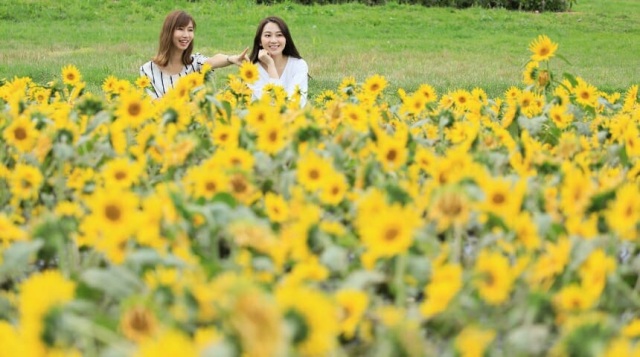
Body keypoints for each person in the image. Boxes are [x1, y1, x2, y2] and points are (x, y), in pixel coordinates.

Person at [140, 10, 248, 99]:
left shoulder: (194, 64)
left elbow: (213, 61)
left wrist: (231, 58)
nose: (186, 35)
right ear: (168, 32)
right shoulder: (147, 71)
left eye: (190, 30)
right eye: (180, 29)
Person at [248, 16, 308, 107]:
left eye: (279, 35)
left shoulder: (298, 65)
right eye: (268, 35)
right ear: (260, 41)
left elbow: (295, 104)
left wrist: (270, 65)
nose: (273, 40)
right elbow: (273, 104)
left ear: (286, 39)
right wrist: (270, 65)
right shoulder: (252, 71)